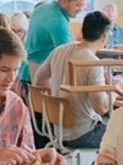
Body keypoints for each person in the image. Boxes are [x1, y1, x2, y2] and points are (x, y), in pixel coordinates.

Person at [0, 27, 65, 165]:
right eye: (4, 70)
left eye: (16, 70)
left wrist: (38, 158)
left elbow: (24, 158)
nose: (12, 78)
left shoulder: (17, 106)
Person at [33, 10, 114, 149]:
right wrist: (114, 91)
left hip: (56, 131)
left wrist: (59, 92)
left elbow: (39, 80)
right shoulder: (93, 62)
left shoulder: (59, 50)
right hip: (83, 134)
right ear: (104, 37)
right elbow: (101, 108)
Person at [20, 0, 88, 84]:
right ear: (64, 1)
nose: (80, 9)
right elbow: (68, 53)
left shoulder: (43, 8)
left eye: (82, 6)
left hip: (26, 68)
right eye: (77, 5)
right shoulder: (57, 20)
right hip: (39, 68)